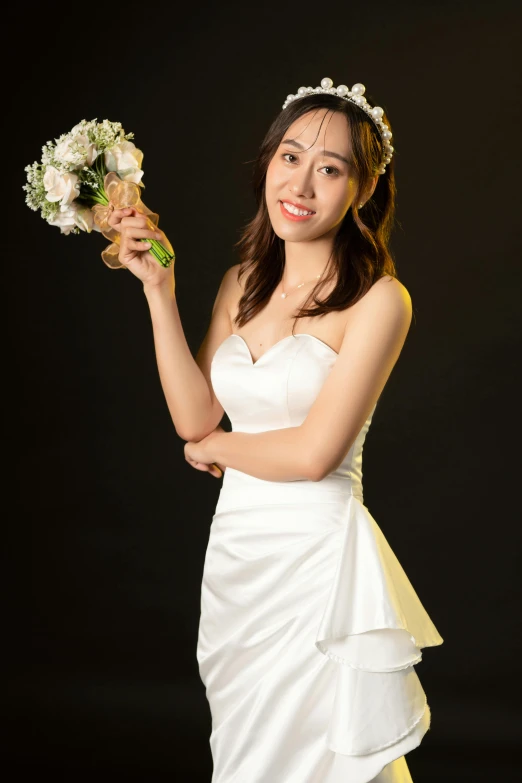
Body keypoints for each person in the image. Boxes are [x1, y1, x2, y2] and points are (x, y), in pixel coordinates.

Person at [107, 77, 444, 783]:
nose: (302, 182)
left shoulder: (381, 301)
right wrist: (158, 291)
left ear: (362, 188)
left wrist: (212, 449)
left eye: (331, 168)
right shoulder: (241, 282)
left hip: (317, 565)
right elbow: (194, 414)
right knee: (245, 747)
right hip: (238, 559)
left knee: (317, 754)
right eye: (290, 157)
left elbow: (314, 452)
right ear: (267, 163)